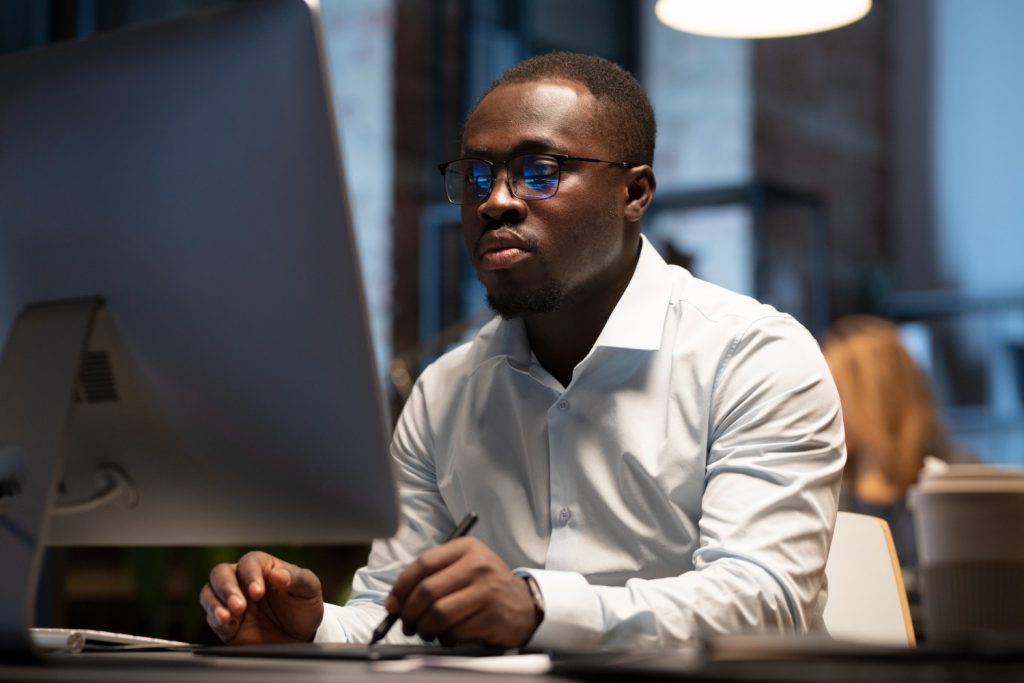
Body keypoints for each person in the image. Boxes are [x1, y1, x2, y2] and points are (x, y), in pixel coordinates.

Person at [200, 52, 845, 651]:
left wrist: (537, 609)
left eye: (540, 172)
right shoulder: (444, 391)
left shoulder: (753, 357)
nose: (496, 201)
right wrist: (311, 630)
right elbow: (390, 619)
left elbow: (768, 603)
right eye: (477, 174)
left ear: (635, 193)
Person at [822, 315, 959, 569]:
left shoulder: (954, 479)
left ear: (876, 396)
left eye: (837, 393)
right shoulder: (827, 489)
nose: (826, 411)